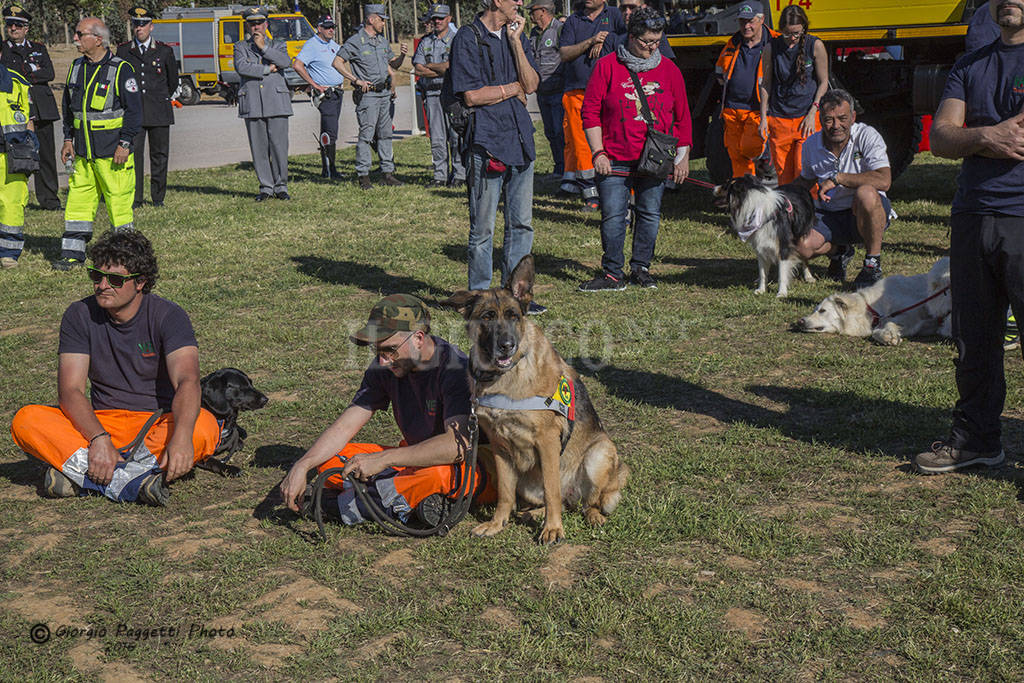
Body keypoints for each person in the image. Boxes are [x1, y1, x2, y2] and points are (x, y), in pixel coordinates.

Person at [10, 229, 222, 506]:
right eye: (96, 276)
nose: (102, 285)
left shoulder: (169, 315)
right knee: (26, 420)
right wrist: (98, 438)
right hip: (99, 423)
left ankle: (86, 476)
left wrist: (181, 437)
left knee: (203, 426)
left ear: (140, 283)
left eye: (115, 279)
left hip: (155, 423)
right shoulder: (79, 314)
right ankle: (133, 481)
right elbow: (70, 391)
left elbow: (188, 381)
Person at [913, 0, 1024, 474]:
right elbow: (940, 137)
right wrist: (985, 137)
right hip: (973, 213)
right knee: (974, 338)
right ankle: (977, 439)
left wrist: (974, 133)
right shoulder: (968, 64)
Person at [279, 294, 492, 525]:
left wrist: (384, 459)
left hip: (473, 468)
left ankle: (337, 507)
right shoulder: (387, 365)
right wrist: (302, 464)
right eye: (377, 351)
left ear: (418, 338)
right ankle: (405, 500)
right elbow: (346, 425)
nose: (383, 361)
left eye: (390, 349)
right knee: (331, 460)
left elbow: (456, 447)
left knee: (434, 475)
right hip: (413, 458)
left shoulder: (455, 370)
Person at [579, 7, 691, 292]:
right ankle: (613, 273)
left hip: (654, 158)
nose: (652, 47)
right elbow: (590, 112)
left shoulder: (670, 69)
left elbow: (683, 117)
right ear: (631, 37)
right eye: (646, 42)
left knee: (649, 213)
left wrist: (682, 158)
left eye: (657, 41)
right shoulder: (607, 66)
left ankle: (641, 267)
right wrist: (598, 152)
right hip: (614, 158)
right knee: (614, 215)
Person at [450, 0, 546, 314]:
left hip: (520, 141)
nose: (521, 2)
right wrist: (510, 88)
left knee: (521, 224)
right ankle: (478, 299)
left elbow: (531, 85)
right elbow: (472, 95)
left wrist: (517, 43)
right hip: (486, 142)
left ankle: (516, 297)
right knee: (483, 229)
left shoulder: (516, 34)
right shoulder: (467, 37)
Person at [55, 17, 141, 271]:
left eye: (80, 34)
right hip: (82, 154)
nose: (75, 39)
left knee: (119, 204)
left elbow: (134, 112)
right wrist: (68, 140)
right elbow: (69, 110)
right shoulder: (75, 67)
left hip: (112, 153)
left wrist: (125, 144)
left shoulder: (121, 69)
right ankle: (72, 254)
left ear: (98, 39)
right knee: (78, 203)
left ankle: (125, 255)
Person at [792, 89, 893, 288]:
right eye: (828, 120)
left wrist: (839, 179)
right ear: (820, 119)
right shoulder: (811, 144)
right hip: (830, 213)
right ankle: (839, 251)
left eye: (842, 118)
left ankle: (872, 264)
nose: (836, 126)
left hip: (864, 211)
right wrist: (775, 196)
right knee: (800, 248)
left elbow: (884, 180)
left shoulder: (867, 136)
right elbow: (805, 181)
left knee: (866, 193)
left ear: (853, 117)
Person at [559, 0, 625, 210]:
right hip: (577, 91)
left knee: (612, 140)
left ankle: (615, 189)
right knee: (581, 143)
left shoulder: (614, 14)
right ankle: (591, 195)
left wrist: (605, 40)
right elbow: (565, 53)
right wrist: (591, 41)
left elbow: (628, 38)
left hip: (609, 90)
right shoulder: (573, 20)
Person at [334, 4, 407, 189]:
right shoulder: (355, 41)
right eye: (381, 19)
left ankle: (387, 173)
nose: (383, 23)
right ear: (371, 19)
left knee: (385, 135)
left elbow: (394, 65)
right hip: (368, 96)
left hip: (384, 94)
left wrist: (402, 57)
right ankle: (363, 175)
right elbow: (337, 62)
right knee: (366, 136)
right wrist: (356, 80)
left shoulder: (382, 41)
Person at [757, 5, 828, 185]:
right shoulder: (771, 48)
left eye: (796, 33)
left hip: (807, 118)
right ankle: (790, 211)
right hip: (780, 119)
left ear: (803, 28)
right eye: (787, 34)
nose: (792, 39)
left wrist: (814, 111)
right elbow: (765, 84)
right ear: (781, 30)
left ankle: (812, 211)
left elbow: (823, 82)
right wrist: (764, 117)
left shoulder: (815, 45)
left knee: (804, 170)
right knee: (784, 175)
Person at [117, 6, 178, 209]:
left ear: (151, 27)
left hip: (159, 111)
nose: (139, 28)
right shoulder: (124, 50)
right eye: (136, 24)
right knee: (134, 156)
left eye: (143, 24)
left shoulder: (164, 51)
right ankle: (135, 198)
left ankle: (158, 197)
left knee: (159, 156)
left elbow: (173, 82)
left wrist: (160, 97)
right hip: (134, 113)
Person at [0, 4, 59, 212]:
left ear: (26, 28)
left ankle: (50, 200)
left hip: (42, 107)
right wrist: (33, 71)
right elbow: (10, 74)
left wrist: (23, 72)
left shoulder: (38, 48)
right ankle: (17, 199)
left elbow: (49, 73)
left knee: (47, 156)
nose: (13, 29)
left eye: (17, 25)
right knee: (17, 154)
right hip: (16, 110)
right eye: (10, 25)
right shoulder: (3, 50)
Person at [234, 7, 293, 201]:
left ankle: (281, 186)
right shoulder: (240, 46)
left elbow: (285, 62)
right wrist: (267, 69)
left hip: (276, 101)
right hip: (252, 103)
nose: (256, 26)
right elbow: (242, 67)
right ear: (247, 26)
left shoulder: (277, 44)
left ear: (266, 24)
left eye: (259, 23)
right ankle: (266, 188)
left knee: (278, 147)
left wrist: (264, 48)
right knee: (259, 149)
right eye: (252, 23)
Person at [715, 1, 776, 179]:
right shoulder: (733, 42)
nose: (746, 26)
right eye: (742, 22)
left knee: (749, 147)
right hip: (732, 109)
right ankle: (745, 194)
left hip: (757, 110)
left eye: (750, 21)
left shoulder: (775, 42)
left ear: (762, 19)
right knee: (736, 155)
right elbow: (720, 70)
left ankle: (765, 160)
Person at [413, 4, 465, 186]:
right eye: (434, 18)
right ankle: (440, 176)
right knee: (437, 138)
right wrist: (441, 68)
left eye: (441, 18)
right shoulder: (426, 42)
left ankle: (459, 174)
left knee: (456, 136)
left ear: (449, 19)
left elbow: (454, 67)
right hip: (433, 95)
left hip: (453, 96)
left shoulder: (458, 39)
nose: (437, 21)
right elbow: (418, 68)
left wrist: (430, 67)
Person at [293, 14, 346, 181]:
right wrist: (313, 84)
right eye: (327, 27)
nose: (331, 30)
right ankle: (330, 169)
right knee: (330, 131)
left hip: (337, 92)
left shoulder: (332, 44)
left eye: (333, 27)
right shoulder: (312, 45)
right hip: (326, 94)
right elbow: (297, 65)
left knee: (330, 130)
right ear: (319, 28)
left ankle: (328, 168)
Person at [527, 0, 565, 180]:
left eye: (532, 11)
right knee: (550, 132)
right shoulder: (534, 33)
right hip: (542, 92)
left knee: (560, 131)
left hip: (558, 90)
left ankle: (567, 169)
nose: (530, 15)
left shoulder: (560, 29)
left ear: (542, 11)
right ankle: (559, 168)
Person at [0, 50, 31, 270]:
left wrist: (30, 150)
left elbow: (28, 121)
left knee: (12, 204)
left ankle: (9, 253)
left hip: (11, 155)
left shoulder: (18, 82)